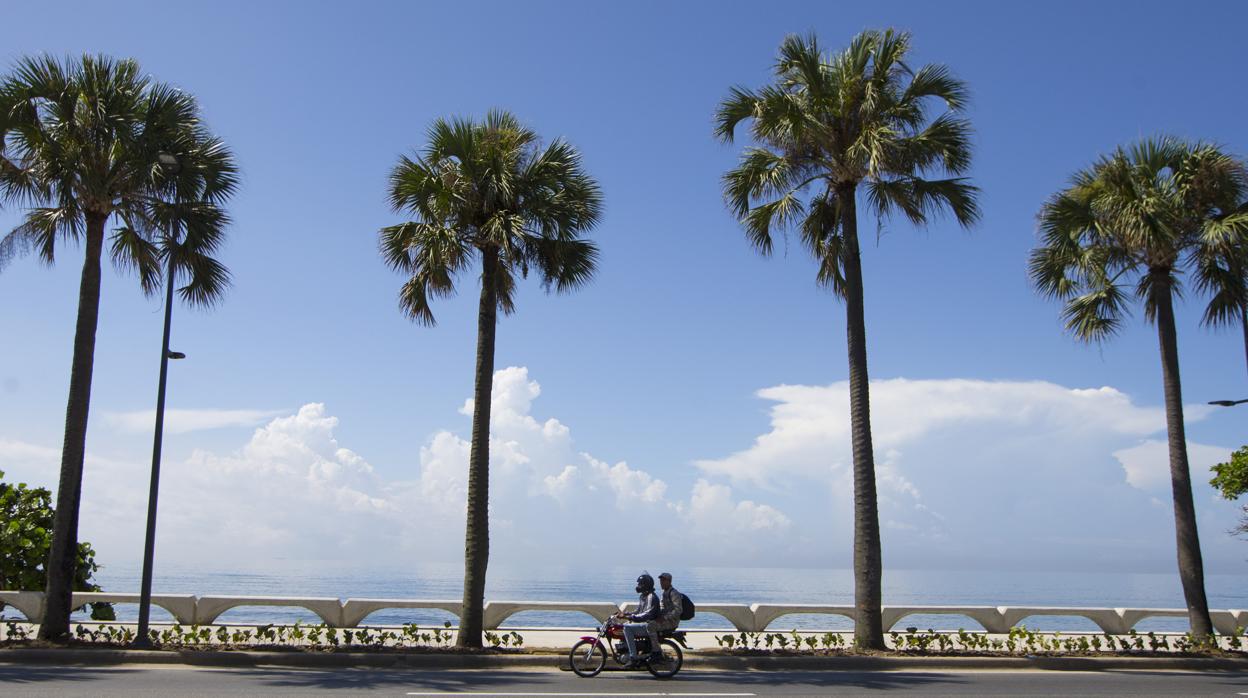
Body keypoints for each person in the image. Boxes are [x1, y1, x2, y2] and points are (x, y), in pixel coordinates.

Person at [618, 572, 662, 665]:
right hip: (644, 623)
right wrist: (626, 614)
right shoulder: (643, 596)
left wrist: (630, 617)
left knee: (627, 628)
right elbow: (638, 611)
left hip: (649, 624)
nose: (638, 586)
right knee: (622, 626)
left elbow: (647, 614)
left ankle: (633, 657)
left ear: (645, 585)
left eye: (640, 584)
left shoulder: (651, 597)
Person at [651, 571, 683, 642]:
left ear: (669, 581)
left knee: (650, 626)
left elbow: (678, 610)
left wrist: (664, 618)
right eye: (660, 581)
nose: (661, 582)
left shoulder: (674, 593)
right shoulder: (664, 593)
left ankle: (655, 649)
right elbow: (662, 607)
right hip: (665, 620)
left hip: (671, 622)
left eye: (663, 580)